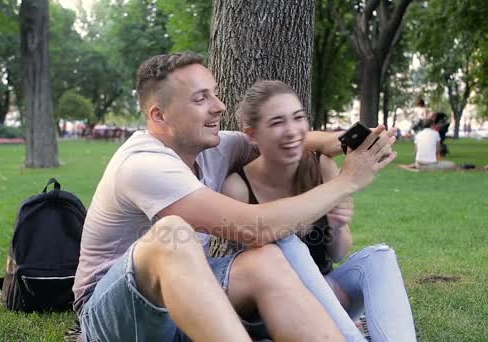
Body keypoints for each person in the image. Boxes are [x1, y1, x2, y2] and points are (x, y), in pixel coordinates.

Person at [73, 52, 397, 341]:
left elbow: (279, 139)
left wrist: (340, 141)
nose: (219, 106)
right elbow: (253, 227)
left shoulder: (213, 146)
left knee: (269, 259)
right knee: (173, 235)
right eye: (201, 99)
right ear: (159, 116)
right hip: (116, 316)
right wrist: (346, 182)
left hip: (183, 306)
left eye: (214, 94)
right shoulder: (143, 164)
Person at [215, 80, 417, 341]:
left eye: (298, 118)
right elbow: (262, 268)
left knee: (380, 256)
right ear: (253, 134)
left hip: (330, 296)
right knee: (283, 240)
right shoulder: (237, 187)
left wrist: (337, 225)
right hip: (275, 311)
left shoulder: (321, 165)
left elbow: (339, 252)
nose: (292, 131)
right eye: (277, 123)